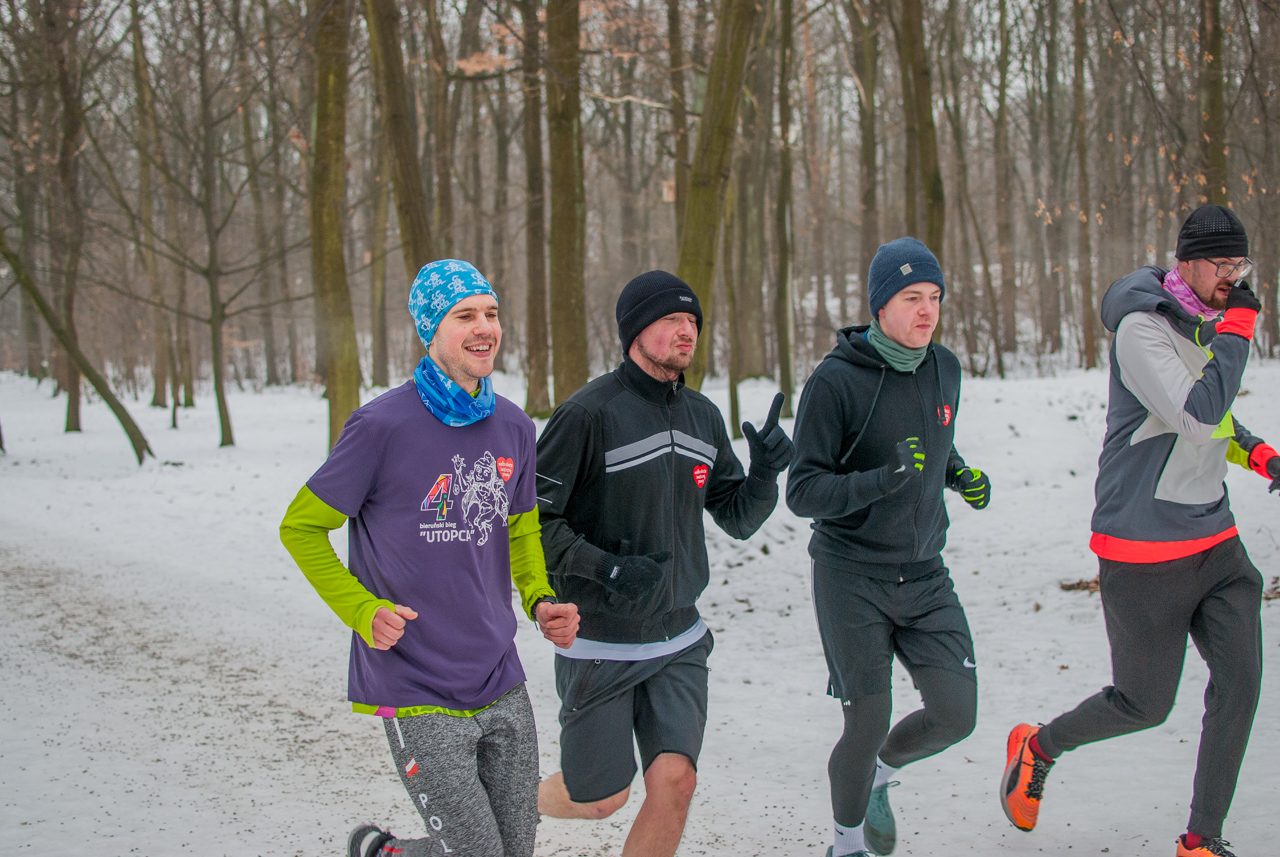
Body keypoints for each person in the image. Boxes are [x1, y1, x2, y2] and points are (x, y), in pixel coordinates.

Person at [1000, 206, 1278, 857]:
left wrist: (1260, 454)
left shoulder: (1206, 326)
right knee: (1143, 702)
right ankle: (1037, 746)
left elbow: (1215, 420)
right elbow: (1195, 410)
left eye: (1239, 266)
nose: (1231, 278)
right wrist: (1239, 328)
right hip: (1145, 551)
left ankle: (1200, 840)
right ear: (1185, 259)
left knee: (1241, 680)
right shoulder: (1141, 331)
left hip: (1216, 543)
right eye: (1220, 264)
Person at [279, 259, 580, 857]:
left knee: (513, 851)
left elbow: (521, 532)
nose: (484, 327)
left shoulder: (515, 427)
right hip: (413, 676)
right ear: (431, 329)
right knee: (477, 853)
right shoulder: (379, 426)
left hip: (498, 670)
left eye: (491, 314)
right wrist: (362, 611)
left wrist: (540, 598)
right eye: (464, 315)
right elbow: (301, 528)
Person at [533, 270, 795, 857]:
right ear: (634, 332)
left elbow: (736, 516)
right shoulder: (587, 413)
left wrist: (763, 474)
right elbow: (530, 524)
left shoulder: (703, 416)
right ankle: (509, 799)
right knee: (600, 797)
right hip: (600, 641)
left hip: (678, 636)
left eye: (693, 321)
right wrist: (606, 570)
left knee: (676, 783)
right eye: (671, 320)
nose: (686, 331)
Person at [786, 237, 991, 857]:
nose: (926, 311)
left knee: (957, 714)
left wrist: (958, 473)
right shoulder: (834, 382)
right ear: (879, 306)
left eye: (934, 298)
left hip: (926, 574)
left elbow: (934, 441)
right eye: (911, 298)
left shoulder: (944, 367)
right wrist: (882, 481)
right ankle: (845, 846)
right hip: (851, 576)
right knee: (867, 718)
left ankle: (878, 773)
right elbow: (802, 491)